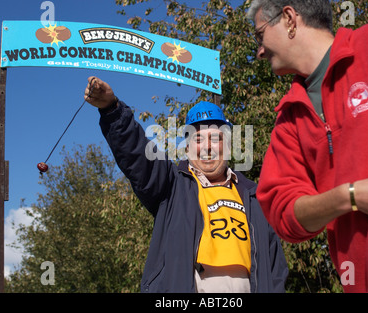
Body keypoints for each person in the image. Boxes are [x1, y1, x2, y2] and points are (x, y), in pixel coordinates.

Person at [247, 0, 368, 292]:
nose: (260, 50)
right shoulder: (288, 122)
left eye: (260, 35)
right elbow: (284, 212)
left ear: (289, 19)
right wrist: (348, 196)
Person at [84, 76, 288, 293]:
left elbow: (275, 272)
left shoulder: (255, 198)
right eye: (198, 140)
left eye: (215, 139)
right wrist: (112, 110)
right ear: (188, 148)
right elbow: (136, 154)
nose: (207, 147)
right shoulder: (171, 186)